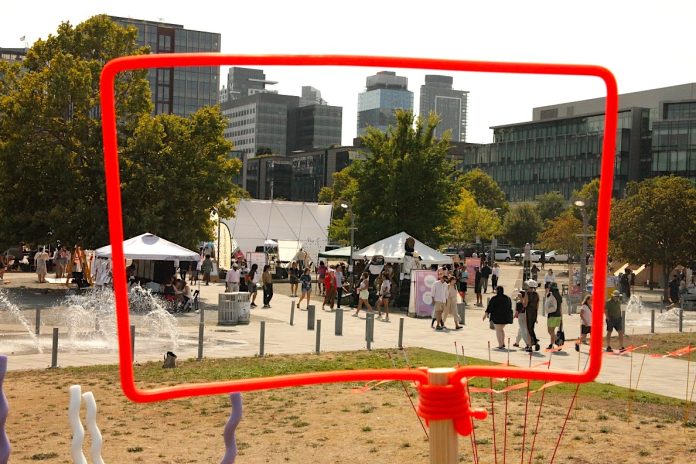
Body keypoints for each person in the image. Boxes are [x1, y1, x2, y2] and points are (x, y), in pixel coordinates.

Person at [523, 280, 541, 352]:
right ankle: (533, 343)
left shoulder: (527, 294)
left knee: (529, 329)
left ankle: (533, 343)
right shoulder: (537, 294)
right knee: (531, 328)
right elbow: (537, 306)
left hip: (529, 312)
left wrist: (521, 298)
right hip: (534, 312)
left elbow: (525, 304)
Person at [545, 282, 563, 350]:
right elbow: (560, 307)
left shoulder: (551, 295)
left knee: (550, 331)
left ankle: (558, 341)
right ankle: (551, 344)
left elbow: (548, 304)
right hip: (558, 315)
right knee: (552, 331)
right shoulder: (559, 295)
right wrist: (561, 317)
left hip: (552, 315)